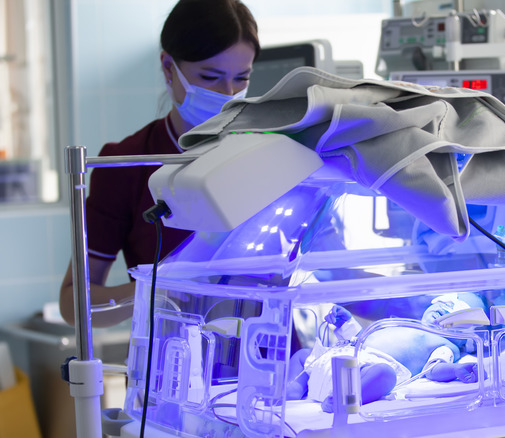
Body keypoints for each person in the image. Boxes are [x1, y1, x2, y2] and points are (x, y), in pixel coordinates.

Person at [59, 0, 261, 327]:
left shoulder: (271, 152)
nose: (227, 94)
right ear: (168, 67)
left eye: (241, 78)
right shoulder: (126, 164)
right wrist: (154, 289)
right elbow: (73, 303)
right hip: (172, 363)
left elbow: (325, 265)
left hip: (268, 359)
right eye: (210, 77)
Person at [286, 303, 482, 412]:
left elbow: (433, 369)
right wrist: (347, 322)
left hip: (363, 372)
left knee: (385, 374)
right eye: (441, 304)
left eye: (453, 311)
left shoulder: (446, 345)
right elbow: (362, 337)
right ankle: (294, 388)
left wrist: (456, 370)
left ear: (464, 340)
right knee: (304, 355)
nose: (443, 309)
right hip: (342, 356)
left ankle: (342, 399)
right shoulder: (405, 323)